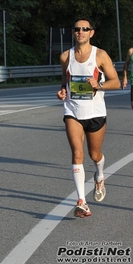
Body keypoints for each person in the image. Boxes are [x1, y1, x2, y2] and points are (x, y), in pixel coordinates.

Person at [57, 18, 120, 218]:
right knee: (77, 154)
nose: (81, 32)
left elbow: (116, 82)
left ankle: (100, 175)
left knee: (94, 155)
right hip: (72, 111)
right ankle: (82, 202)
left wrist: (98, 86)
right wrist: (62, 91)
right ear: (73, 32)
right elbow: (64, 79)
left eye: (85, 29)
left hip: (95, 112)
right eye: (77, 29)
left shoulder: (100, 55)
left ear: (91, 32)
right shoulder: (66, 56)